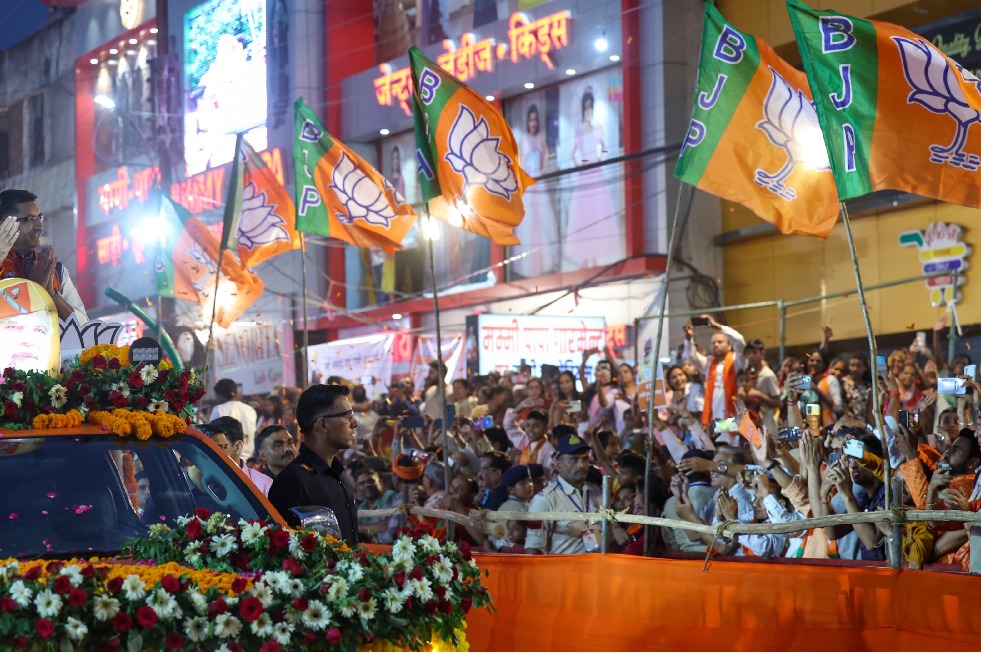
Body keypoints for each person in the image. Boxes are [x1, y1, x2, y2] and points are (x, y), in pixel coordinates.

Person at [269, 384, 360, 547]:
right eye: (347, 416)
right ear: (323, 424)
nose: (355, 423)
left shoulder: (339, 473)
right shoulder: (292, 482)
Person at [0, 189, 87, 321]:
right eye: (30, 219)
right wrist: (35, 290)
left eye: (40, 218)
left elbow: (83, 326)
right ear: (4, 223)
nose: (40, 226)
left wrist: (50, 293)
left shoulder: (56, 270)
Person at [563, 88, 621, 269]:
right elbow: (574, 154)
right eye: (585, 108)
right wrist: (580, 163)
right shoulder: (580, 132)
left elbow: (603, 147)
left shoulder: (598, 129)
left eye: (590, 107)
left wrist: (599, 158)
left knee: (597, 212)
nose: (588, 111)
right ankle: (585, 258)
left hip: (595, 171)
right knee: (583, 215)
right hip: (585, 172)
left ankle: (595, 256)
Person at [526, 433, 606, 555]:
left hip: (597, 570)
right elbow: (533, 550)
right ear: (559, 464)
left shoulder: (596, 492)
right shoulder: (544, 500)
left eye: (585, 459)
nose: (581, 465)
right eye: (574, 459)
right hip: (565, 572)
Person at [513, 102, 558, 277]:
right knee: (529, 225)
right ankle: (528, 266)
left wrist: (543, 168)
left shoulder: (540, 138)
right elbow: (521, 163)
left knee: (543, 223)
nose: (533, 123)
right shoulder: (524, 139)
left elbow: (545, 152)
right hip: (529, 184)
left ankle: (544, 263)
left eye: (535, 120)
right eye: (530, 120)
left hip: (539, 182)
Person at [682, 315, 746, 429]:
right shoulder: (709, 364)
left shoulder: (737, 361)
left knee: (731, 443)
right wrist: (688, 339)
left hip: (734, 416)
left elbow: (739, 341)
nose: (716, 345)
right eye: (713, 343)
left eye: (720, 342)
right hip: (715, 417)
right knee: (718, 443)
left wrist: (719, 327)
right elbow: (692, 357)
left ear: (729, 345)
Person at [203, 416, 273, 497]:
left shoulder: (263, 485)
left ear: (238, 447)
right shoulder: (201, 480)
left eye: (222, 447)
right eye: (209, 447)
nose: (213, 453)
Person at [210, 378, 259, 460]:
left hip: (228, 461)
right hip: (250, 460)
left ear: (220, 395)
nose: (215, 398)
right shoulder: (250, 409)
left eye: (216, 395)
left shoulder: (219, 409)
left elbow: (210, 434)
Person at [355, 468, 398, 544]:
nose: (367, 485)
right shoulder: (362, 507)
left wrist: (356, 527)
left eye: (371, 481)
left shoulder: (389, 496)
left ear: (381, 483)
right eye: (362, 483)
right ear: (358, 489)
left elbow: (384, 527)